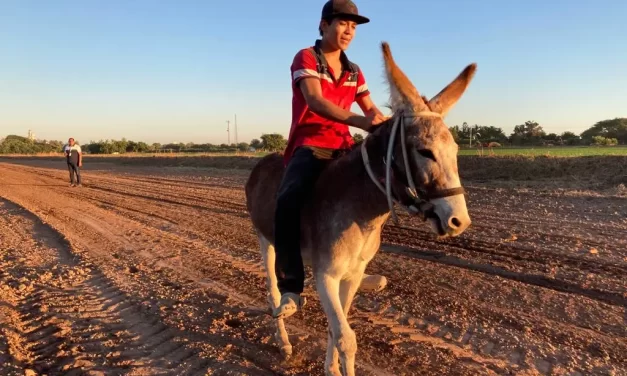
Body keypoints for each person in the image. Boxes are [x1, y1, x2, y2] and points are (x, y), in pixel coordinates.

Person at [273, 0, 388, 319]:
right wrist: (360, 122)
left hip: (344, 147)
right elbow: (315, 101)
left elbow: (370, 108)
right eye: (342, 23)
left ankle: (356, 266)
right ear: (323, 25)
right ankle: (292, 286)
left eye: (354, 26)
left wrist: (385, 122)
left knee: (377, 193)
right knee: (288, 200)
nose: (349, 30)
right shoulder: (306, 57)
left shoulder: (354, 71)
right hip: (312, 144)